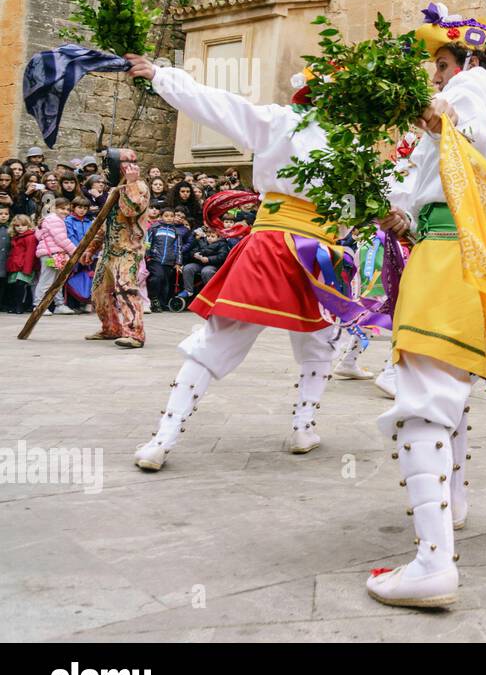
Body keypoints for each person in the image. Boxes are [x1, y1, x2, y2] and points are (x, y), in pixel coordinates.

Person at [364, 3, 486, 608]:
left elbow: (459, 132)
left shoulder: (474, 84)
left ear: (470, 58)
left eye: (440, 64)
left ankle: (432, 562)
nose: (436, 75)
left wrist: (428, 111)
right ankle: (457, 507)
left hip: (454, 252)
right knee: (449, 390)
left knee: (420, 398)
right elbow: (445, 174)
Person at [121, 54, 343, 472]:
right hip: (293, 246)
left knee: (311, 341)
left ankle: (299, 427)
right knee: (283, 340)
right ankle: (166, 437)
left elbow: (220, 105)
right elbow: (219, 104)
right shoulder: (288, 122)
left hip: (307, 248)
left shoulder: (339, 140)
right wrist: (164, 77)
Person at [84, 148, 151, 348]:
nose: (105, 171)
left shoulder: (139, 187)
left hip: (128, 250)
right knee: (99, 292)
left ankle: (135, 334)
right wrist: (92, 247)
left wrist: (130, 183)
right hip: (109, 250)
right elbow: (106, 222)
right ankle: (111, 328)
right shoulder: (113, 190)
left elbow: (131, 210)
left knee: (126, 289)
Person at [33, 196, 78, 315]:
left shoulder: (49, 219)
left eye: (68, 209)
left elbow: (39, 235)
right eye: (62, 208)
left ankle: (59, 304)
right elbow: (61, 239)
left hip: (55, 254)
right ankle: (39, 306)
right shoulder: (54, 219)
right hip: (51, 254)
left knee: (57, 281)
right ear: (53, 208)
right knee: (47, 281)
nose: (65, 211)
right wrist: (75, 251)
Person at [3, 214, 37, 313]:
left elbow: (30, 254)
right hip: (15, 266)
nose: (20, 228)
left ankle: (19, 307)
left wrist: (27, 269)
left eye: (23, 225)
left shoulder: (30, 237)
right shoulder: (15, 237)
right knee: (14, 286)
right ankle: (15, 306)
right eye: (17, 226)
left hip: (25, 267)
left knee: (20, 285)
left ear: (28, 225)